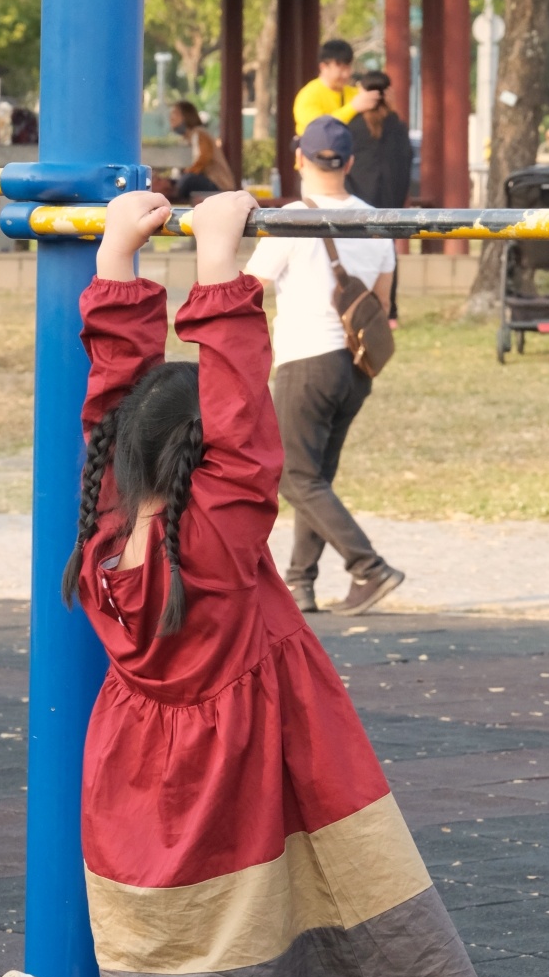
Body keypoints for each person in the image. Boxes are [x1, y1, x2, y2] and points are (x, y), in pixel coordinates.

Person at [0, 187, 488, 977]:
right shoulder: (217, 557)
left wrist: (116, 258)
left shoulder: (106, 530)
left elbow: (115, 398)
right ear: (212, 471)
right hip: (221, 819)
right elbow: (240, 428)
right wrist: (218, 265)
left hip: (140, 812)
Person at [245, 116, 405, 615]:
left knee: (293, 477)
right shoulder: (376, 220)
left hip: (306, 360)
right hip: (356, 367)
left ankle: (369, 567)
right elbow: (382, 302)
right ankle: (300, 582)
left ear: (299, 159)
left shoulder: (293, 218)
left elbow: (249, 286)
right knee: (314, 478)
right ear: (350, 162)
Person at [346, 69, 413, 326]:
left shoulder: (353, 125)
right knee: (388, 253)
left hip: (359, 199)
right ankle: (390, 311)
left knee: (354, 252)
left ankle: (356, 305)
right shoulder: (397, 125)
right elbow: (405, 163)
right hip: (389, 200)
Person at [293, 38, 381, 134]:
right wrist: (353, 108)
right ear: (323, 67)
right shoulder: (308, 95)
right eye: (341, 69)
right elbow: (320, 128)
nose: (346, 74)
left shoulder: (356, 94)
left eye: (348, 67)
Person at [168, 100, 235, 201]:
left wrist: (188, 171)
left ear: (187, 115)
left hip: (219, 185)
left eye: (175, 113)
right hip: (206, 182)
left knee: (187, 180)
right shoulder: (187, 138)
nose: (171, 118)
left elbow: (204, 158)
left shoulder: (199, 133)